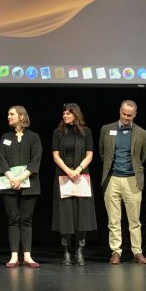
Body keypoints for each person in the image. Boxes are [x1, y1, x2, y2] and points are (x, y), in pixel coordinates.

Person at [99, 100, 146, 265]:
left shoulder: (141, 133)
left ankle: (137, 251)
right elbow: (102, 153)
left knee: (134, 220)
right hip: (112, 179)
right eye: (124, 114)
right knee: (114, 219)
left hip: (132, 179)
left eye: (130, 115)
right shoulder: (107, 129)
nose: (126, 117)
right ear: (119, 111)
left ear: (135, 115)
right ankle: (116, 251)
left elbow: (142, 156)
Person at [51, 103, 96, 266]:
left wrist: (78, 169)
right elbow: (55, 155)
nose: (65, 116)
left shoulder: (86, 132)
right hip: (64, 176)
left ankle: (80, 251)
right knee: (65, 215)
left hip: (81, 175)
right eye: (63, 113)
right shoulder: (58, 132)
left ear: (76, 115)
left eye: (68, 113)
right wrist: (68, 171)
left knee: (81, 214)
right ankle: (66, 252)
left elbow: (90, 154)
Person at [0, 106, 42, 268]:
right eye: (8, 114)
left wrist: (21, 178)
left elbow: (36, 160)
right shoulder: (5, 137)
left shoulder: (34, 137)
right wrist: (12, 178)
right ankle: (14, 256)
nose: (8, 116)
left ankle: (28, 256)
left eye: (11, 114)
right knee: (13, 219)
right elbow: (1, 159)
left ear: (21, 116)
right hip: (9, 183)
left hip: (29, 183)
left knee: (26, 219)